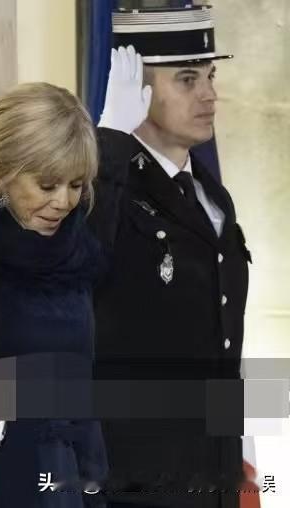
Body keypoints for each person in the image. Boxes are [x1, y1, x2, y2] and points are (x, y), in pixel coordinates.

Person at [89, 5, 250, 507]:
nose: (209, 95)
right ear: (136, 87)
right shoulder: (106, 188)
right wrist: (108, 143)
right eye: (186, 79)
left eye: (210, 76)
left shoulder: (210, 194)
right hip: (138, 475)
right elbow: (80, 260)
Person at [0, 82, 108, 507]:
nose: (63, 202)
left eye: (76, 184)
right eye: (47, 185)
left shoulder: (82, 247)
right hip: (2, 475)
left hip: (78, 468)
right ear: (3, 172)